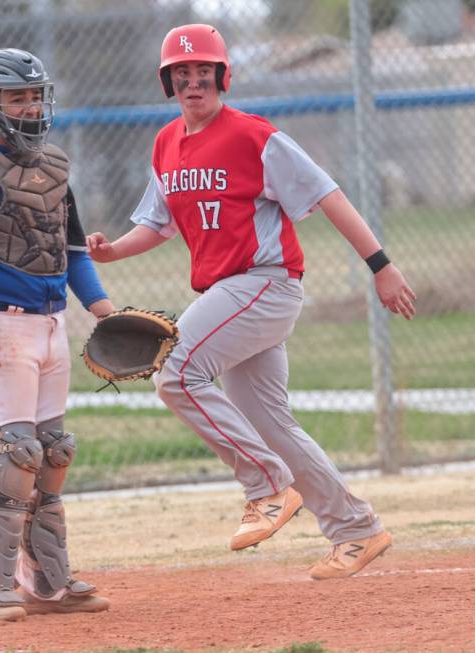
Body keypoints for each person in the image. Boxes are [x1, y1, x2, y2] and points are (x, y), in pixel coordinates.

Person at [86, 24, 417, 580]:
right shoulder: (167, 142)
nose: (194, 82)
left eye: (204, 71)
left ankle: (265, 486)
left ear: (222, 77)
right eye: (182, 74)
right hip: (229, 293)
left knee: (176, 372)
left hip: (265, 283)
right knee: (271, 424)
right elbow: (158, 223)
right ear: (169, 82)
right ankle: (357, 529)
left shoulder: (253, 136)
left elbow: (328, 196)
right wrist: (114, 252)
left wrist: (381, 266)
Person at [0, 48, 114, 622]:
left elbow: (71, 251)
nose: (30, 106)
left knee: (52, 451)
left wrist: (104, 311)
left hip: (52, 323)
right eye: (17, 97)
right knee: (16, 452)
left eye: (36, 95)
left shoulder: (55, 168)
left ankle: (49, 584)